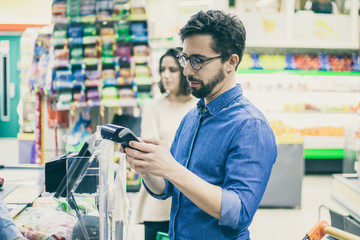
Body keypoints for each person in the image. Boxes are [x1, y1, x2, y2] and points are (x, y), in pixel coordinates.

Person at [124, 10, 277, 240]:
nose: (186, 70)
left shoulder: (250, 126)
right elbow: (166, 188)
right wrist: (146, 167)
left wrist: (171, 168)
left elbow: (239, 213)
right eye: (185, 59)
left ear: (230, 62)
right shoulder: (192, 118)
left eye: (198, 61)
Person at [131, 48, 197, 240]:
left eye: (172, 69)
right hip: (157, 202)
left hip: (190, 200)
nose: (166, 75)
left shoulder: (198, 106)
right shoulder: (153, 107)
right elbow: (150, 151)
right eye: (162, 69)